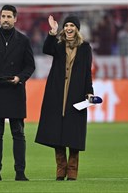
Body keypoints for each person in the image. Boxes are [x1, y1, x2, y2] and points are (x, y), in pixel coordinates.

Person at [0, 5, 35, 181]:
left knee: (18, 133)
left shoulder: (24, 41)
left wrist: (20, 78)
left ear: (15, 19)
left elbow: (30, 66)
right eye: (3, 16)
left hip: (15, 90)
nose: (5, 19)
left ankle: (20, 173)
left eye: (9, 16)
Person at [35, 15, 95, 181]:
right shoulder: (58, 45)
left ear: (77, 29)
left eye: (72, 26)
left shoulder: (85, 48)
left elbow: (87, 72)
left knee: (73, 132)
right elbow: (46, 49)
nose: (69, 28)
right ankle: (61, 169)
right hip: (57, 93)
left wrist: (89, 91)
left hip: (76, 94)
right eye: (66, 25)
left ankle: (73, 170)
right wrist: (52, 33)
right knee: (57, 131)